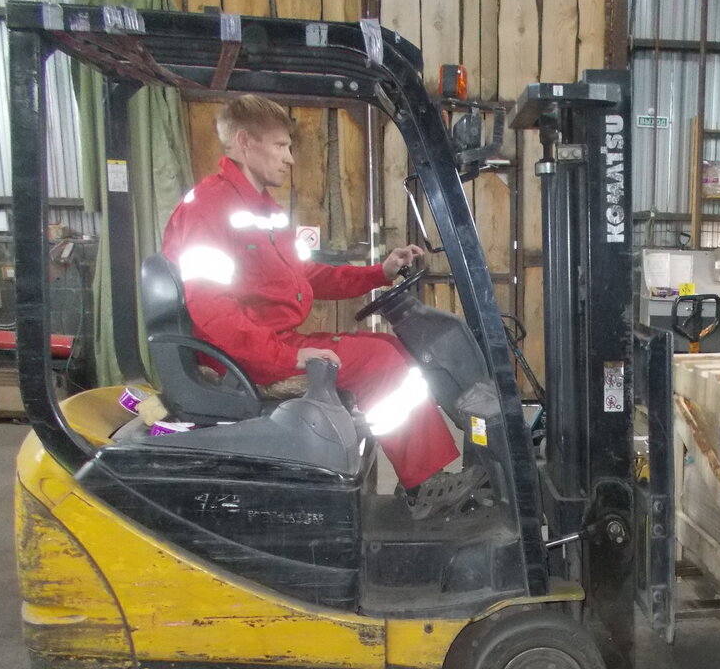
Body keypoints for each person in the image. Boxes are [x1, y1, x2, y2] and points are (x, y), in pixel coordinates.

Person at [161, 94, 485, 517]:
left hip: (266, 342)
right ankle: (424, 487)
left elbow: (306, 276)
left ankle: (418, 476)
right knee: (380, 362)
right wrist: (288, 356)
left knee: (387, 348)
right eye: (280, 146)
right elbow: (213, 313)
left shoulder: (259, 209)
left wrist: (379, 273)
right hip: (241, 358)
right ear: (244, 143)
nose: (289, 158)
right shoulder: (209, 209)